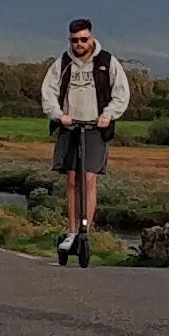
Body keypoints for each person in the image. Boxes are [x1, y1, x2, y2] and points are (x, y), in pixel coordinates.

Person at [39, 17, 131, 266]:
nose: (79, 44)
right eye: (74, 40)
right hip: (70, 125)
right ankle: (71, 231)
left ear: (91, 37)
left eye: (83, 39)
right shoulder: (63, 63)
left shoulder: (106, 62)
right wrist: (58, 115)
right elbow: (48, 92)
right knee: (71, 178)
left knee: (89, 178)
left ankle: (85, 232)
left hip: (94, 127)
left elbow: (122, 93)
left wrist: (108, 115)